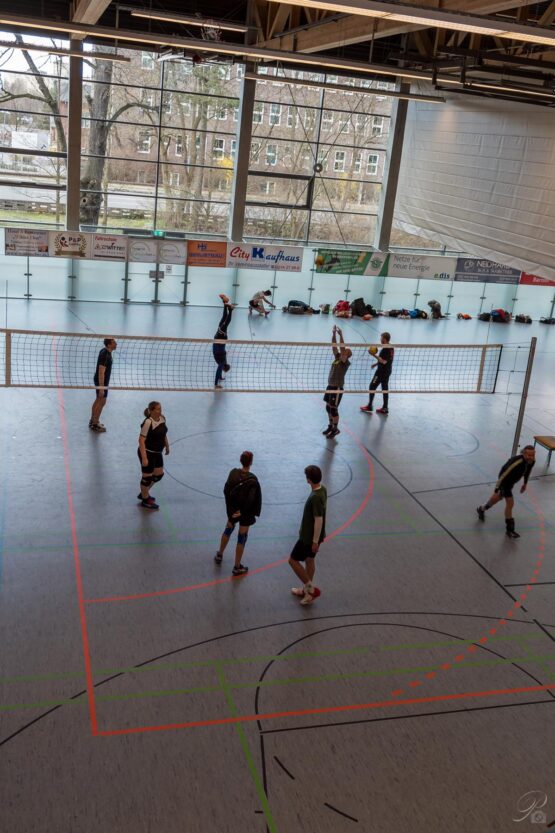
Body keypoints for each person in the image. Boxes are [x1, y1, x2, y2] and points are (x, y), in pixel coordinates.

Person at [215, 450, 262, 576]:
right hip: (245, 513)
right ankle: (237, 566)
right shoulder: (253, 480)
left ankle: (219, 554)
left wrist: (231, 512)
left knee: (228, 529)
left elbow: (226, 490)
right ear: (251, 462)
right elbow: (251, 500)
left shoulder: (233, 473)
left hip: (233, 509)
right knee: (242, 537)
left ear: (241, 461)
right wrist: (242, 512)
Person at [476, 445, 535, 538]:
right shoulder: (516, 462)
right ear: (523, 453)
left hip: (511, 482)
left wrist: (525, 483)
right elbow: (504, 474)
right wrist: (497, 488)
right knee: (510, 503)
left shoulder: (531, 461)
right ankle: (510, 529)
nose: (531, 457)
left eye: (533, 455)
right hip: (504, 481)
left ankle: (482, 509)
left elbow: (527, 471)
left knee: (497, 498)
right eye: (529, 455)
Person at [289, 465, 327, 606]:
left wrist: (314, 541)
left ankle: (310, 590)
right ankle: (306, 591)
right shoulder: (322, 490)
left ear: (308, 480)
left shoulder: (315, 497)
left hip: (308, 539)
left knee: (292, 561)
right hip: (314, 536)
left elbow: (318, 519)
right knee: (309, 560)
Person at [137, 401, 170, 510]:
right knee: (147, 478)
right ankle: (145, 500)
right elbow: (141, 441)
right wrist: (144, 458)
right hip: (147, 452)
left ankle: (144, 492)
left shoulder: (162, 418)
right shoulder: (148, 422)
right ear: (151, 411)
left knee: (158, 475)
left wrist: (167, 445)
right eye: (157, 409)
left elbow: (164, 434)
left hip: (157, 453)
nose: (160, 411)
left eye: (160, 408)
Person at [323, 325, 352, 438]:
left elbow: (342, 348)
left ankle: (335, 429)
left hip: (337, 387)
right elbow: (334, 346)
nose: (343, 352)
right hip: (330, 386)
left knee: (333, 409)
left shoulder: (345, 362)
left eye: (346, 352)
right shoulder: (337, 358)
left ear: (347, 356)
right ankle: (330, 426)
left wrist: (341, 335)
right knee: (328, 407)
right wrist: (334, 334)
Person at [360, 332, 394, 415]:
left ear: (385, 339)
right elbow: (386, 360)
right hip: (387, 371)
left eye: (381, 338)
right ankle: (385, 408)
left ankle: (369, 406)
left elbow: (384, 361)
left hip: (381, 372)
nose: (380, 340)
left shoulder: (386, 349)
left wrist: (373, 354)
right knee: (385, 389)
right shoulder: (390, 347)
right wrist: (376, 364)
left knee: (372, 386)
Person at [89, 337, 117, 432]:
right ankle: (95, 424)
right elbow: (101, 372)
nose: (116, 344)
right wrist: (101, 387)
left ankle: (93, 420)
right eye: (114, 342)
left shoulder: (106, 352)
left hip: (102, 381)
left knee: (98, 399)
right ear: (109, 345)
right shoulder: (105, 355)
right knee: (102, 401)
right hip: (102, 381)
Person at [212, 293, 235, 389]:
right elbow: (220, 368)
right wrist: (220, 378)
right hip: (218, 338)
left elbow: (220, 369)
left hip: (220, 338)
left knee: (226, 322)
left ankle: (229, 308)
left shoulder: (222, 362)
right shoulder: (222, 362)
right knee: (224, 320)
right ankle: (225, 304)